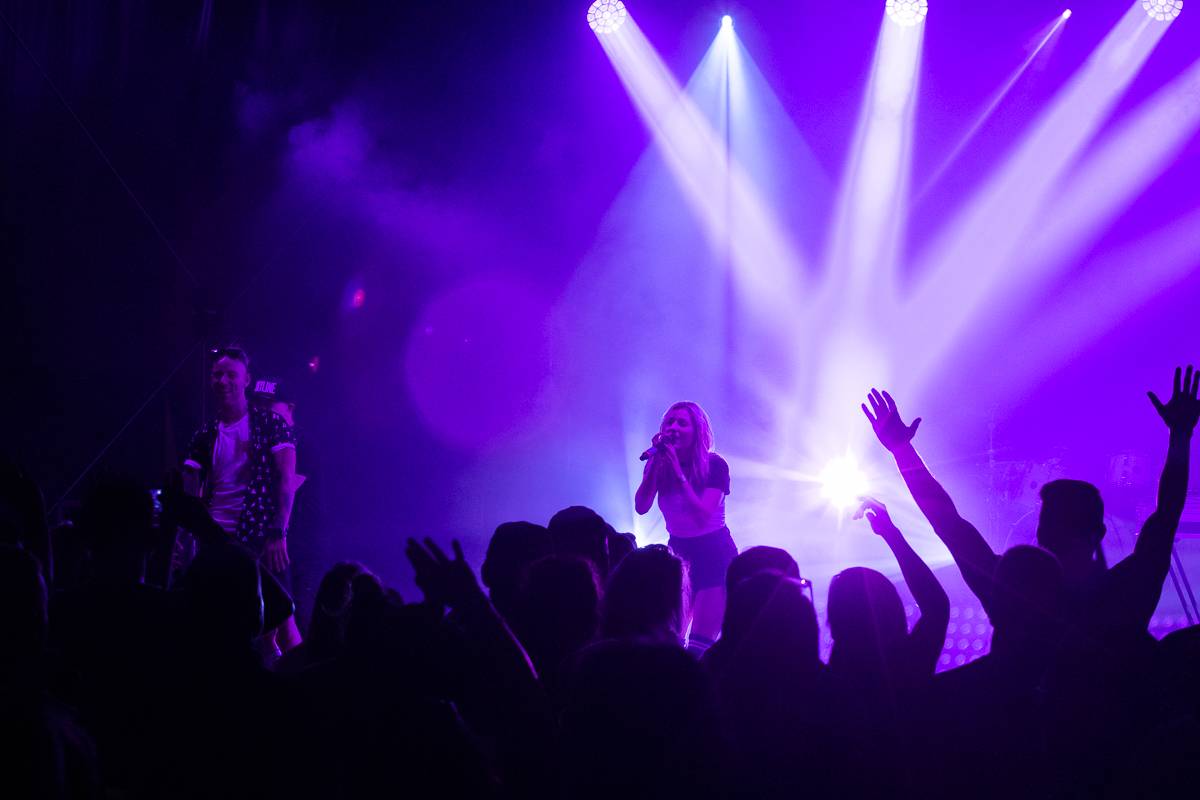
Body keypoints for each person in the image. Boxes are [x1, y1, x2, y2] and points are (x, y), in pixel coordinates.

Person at [182, 345, 300, 651]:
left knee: (278, 623)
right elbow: (189, 487)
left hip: (258, 538)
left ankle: (296, 686)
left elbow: (286, 480)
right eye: (217, 375)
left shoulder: (270, 424)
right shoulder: (205, 433)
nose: (223, 381)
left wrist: (278, 532)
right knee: (221, 624)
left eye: (231, 374)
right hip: (216, 540)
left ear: (246, 379)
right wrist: (188, 535)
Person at [635, 401, 735, 655]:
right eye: (670, 422)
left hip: (713, 553)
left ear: (698, 430)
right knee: (670, 642)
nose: (674, 427)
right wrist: (654, 470)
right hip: (679, 553)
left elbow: (703, 515)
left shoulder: (714, 465)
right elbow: (641, 506)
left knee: (698, 648)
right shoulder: (659, 464)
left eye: (682, 423)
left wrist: (679, 473)